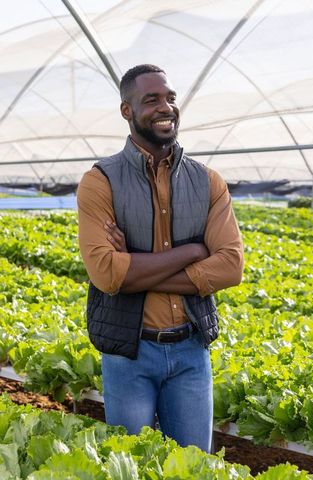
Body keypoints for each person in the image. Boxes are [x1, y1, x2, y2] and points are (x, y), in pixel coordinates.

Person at [77, 64, 244, 453]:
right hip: (129, 354)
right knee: (132, 467)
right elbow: (105, 273)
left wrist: (134, 266)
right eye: (151, 99)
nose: (165, 106)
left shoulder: (208, 181)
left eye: (170, 97)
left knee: (193, 467)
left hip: (191, 352)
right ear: (126, 111)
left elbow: (231, 266)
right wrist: (193, 252)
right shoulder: (100, 181)